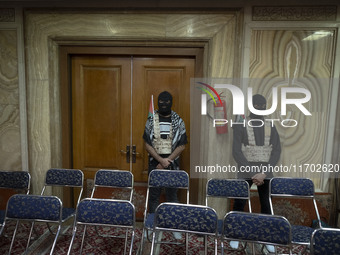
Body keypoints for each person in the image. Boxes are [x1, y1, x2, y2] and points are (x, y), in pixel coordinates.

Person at [231, 94, 281, 251]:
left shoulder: (270, 125)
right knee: (239, 202)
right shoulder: (241, 123)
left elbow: (277, 151)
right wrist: (253, 172)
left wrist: (264, 173)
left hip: (266, 172)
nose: (260, 108)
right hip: (246, 170)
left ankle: (266, 238)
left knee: (266, 204)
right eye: (257, 105)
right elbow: (236, 151)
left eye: (262, 105)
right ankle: (235, 235)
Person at [143, 91, 188, 215]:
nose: (164, 104)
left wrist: (166, 161)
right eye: (161, 101)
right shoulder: (151, 120)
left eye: (167, 101)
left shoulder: (178, 121)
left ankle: (173, 226)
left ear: (171, 102)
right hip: (154, 164)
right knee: (153, 197)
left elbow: (182, 145)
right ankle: (153, 226)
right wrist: (160, 160)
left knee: (172, 196)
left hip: (172, 165)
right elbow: (147, 144)